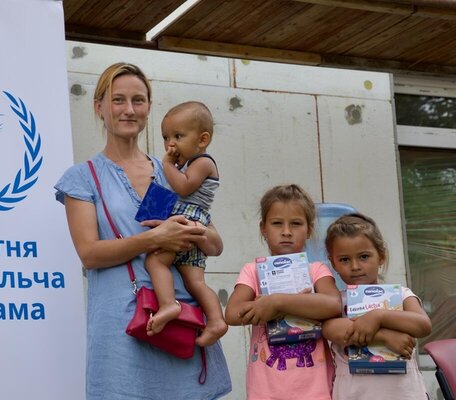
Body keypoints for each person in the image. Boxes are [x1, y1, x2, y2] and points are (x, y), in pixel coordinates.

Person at [54, 62, 232, 399]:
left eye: (138, 100)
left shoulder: (171, 172)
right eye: (118, 100)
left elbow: (215, 244)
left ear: (149, 107)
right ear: (99, 107)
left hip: (180, 320)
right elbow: (89, 254)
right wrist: (155, 239)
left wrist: (193, 230)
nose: (129, 109)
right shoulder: (83, 177)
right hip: (121, 327)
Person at [225, 184, 342, 400]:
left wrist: (278, 303)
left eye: (296, 224)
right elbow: (232, 313)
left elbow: (333, 305)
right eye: (277, 223)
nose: (286, 231)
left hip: (316, 389)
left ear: (308, 229)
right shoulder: (252, 271)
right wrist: (301, 305)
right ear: (263, 228)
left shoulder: (316, 270)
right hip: (265, 389)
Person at [322, 213, 432, 400]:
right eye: (344, 260)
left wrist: (379, 316)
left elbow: (423, 325)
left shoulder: (402, 295)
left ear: (381, 256)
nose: (355, 266)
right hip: (354, 394)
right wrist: (385, 336)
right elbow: (330, 329)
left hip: (403, 393)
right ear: (333, 262)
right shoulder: (336, 302)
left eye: (364, 256)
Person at [144, 101, 227, 347]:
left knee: (155, 261)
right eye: (166, 137)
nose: (171, 144)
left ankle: (169, 304)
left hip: (187, 220)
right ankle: (216, 320)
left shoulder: (203, 162)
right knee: (195, 282)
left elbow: (183, 187)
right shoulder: (181, 166)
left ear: (202, 139)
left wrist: (167, 166)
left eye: (178, 136)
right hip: (188, 221)